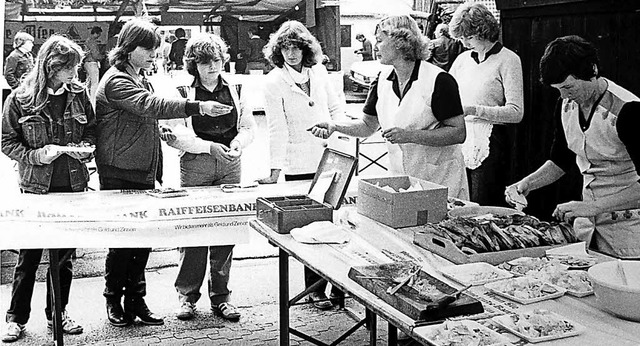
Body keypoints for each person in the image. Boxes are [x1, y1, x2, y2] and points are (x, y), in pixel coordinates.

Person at [95, 18, 232, 328]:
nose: (154, 55)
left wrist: (162, 133)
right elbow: (149, 105)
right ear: (128, 49)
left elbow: (144, 117)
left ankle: (136, 300)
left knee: (142, 240)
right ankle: (113, 299)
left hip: (143, 167)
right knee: (123, 240)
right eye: (148, 49)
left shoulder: (139, 76)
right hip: (119, 169)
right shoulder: (117, 80)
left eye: (155, 50)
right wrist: (197, 107)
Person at [505, 35, 640, 259]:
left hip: (630, 229)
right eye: (558, 89)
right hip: (590, 227)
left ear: (592, 70)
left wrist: (593, 207)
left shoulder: (630, 112)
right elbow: (560, 160)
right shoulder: (566, 104)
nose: (564, 95)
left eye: (568, 87)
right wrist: (528, 183)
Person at [309, 15, 469, 200]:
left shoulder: (439, 81)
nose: (375, 46)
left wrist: (410, 136)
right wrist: (335, 126)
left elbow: (458, 133)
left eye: (379, 40)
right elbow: (368, 126)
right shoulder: (381, 80)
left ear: (401, 41)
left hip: (441, 180)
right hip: (401, 182)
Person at [1, 35, 93, 343]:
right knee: (29, 255)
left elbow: (91, 130)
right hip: (36, 188)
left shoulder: (80, 93)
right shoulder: (20, 98)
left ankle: (58, 312)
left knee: (65, 257)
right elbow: (7, 142)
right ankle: (16, 318)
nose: (75, 74)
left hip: (73, 186)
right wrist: (37, 155)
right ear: (51, 67)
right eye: (70, 68)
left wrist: (85, 149)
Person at [159, 33, 256, 321]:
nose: (212, 66)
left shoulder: (236, 87)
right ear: (194, 64)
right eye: (205, 62)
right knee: (195, 230)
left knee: (226, 229)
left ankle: (221, 297)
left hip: (230, 162)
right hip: (196, 163)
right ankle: (187, 296)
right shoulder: (180, 89)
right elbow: (176, 134)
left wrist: (238, 144)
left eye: (216, 60)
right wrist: (208, 147)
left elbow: (248, 126)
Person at [257, 20, 346, 310]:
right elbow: (276, 128)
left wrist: (335, 128)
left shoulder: (319, 72)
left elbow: (336, 106)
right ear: (277, 51)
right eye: (285, 47)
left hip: (332, 158)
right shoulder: (272, 81)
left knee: (337, 223)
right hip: (300, 164)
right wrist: (274, 170)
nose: (291, 53)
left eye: (296, 47)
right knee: (311, 228)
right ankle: (315, 288)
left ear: (306, 49)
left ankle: (340, 286)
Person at [448, 2, 524, 206]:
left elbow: (516, 112)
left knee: (482, 204)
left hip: (491, 142)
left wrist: (474, 110)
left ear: (484, 31)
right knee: (457, 201)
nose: (464, 42)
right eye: (461, 38)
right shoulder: (462, 60)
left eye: (469, 37)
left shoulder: (508, 60)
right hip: (460, 137)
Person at [84, 26, 105, 107]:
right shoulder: (92, 41)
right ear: (96, 33)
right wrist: (103, 56)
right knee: (94, 84)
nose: (99, 36)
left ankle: (88, 101)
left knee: (89, 83)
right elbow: (95, 55)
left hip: (87, 63)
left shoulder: (87, 41)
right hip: (92, 63)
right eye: (99, 34)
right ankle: (93, 102)